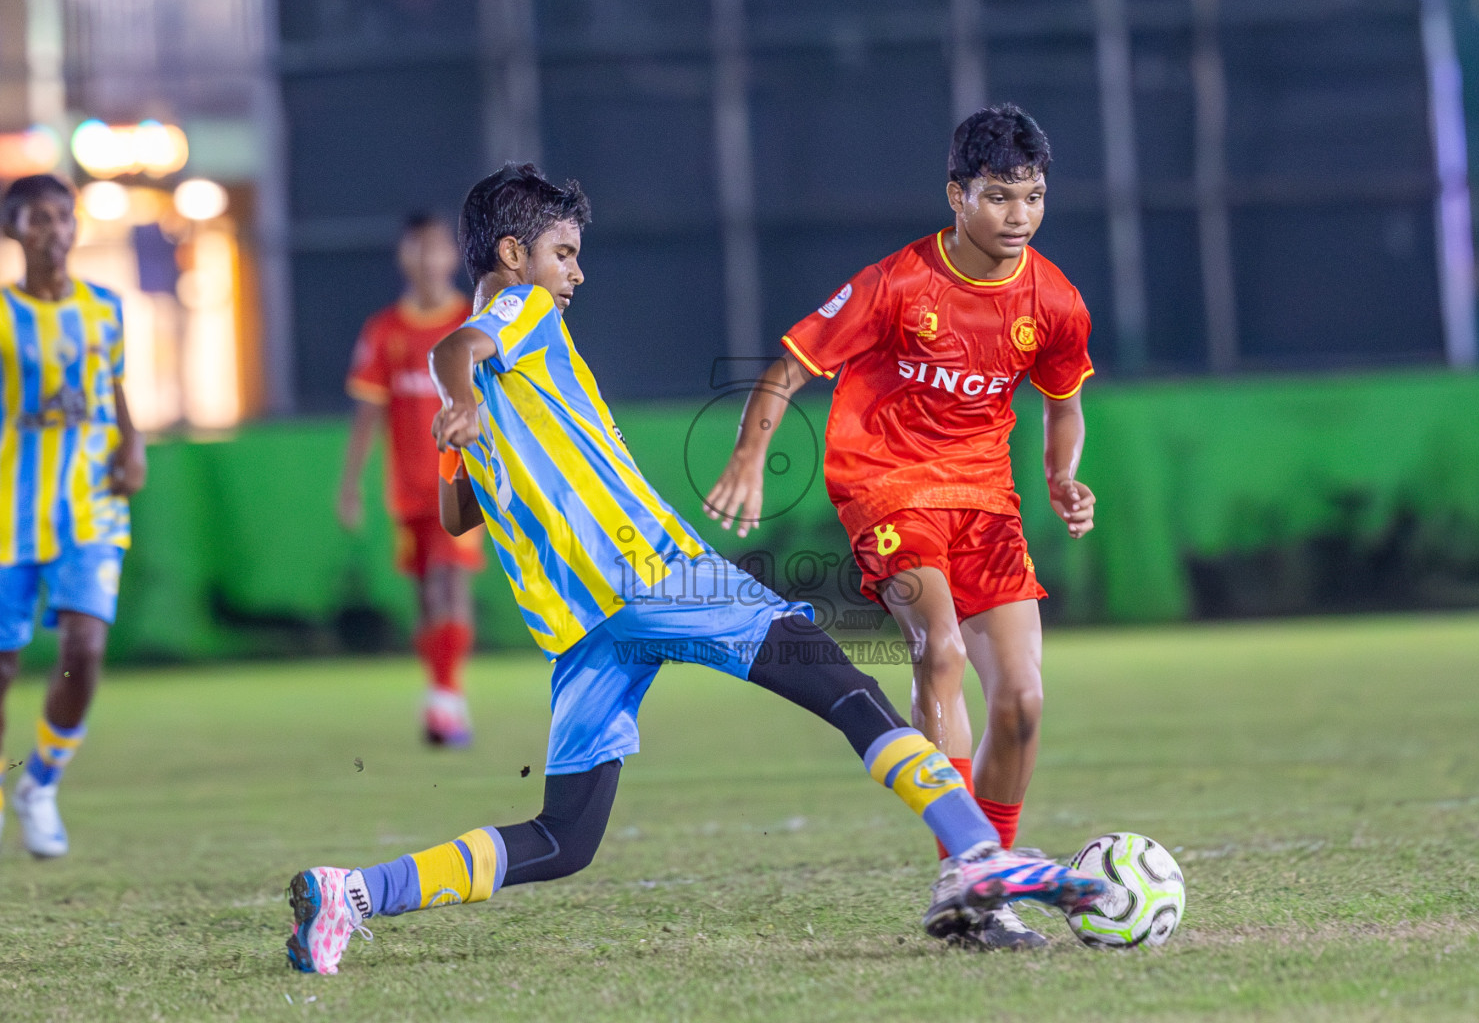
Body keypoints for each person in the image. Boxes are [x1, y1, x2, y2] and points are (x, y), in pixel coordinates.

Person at [283, 163, 1104, 974]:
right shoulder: (517, 312)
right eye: (563, 252)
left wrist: (464, 431)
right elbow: (456, 347)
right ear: (510, 253)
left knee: (564, 839)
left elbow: (462, 509)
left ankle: (351, 893)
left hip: (582, 626)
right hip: (648, 574)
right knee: (848, 690)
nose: (575, 272)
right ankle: (975, 853)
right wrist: (459, 398)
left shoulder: (493, 379)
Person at [705, 105, 1096, 950]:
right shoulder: (895, 285)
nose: (1019, 216)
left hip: (985, 501)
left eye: (1032, 197)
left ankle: (979, 881)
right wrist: (746, 455)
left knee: (1024, 704)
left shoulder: (1054, 300)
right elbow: (787, 369)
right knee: (940, 649)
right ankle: (966, 869)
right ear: (956, 196)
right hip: (886, 488)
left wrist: (1062, 477)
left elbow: (1063, 407)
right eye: (998, 197)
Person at [0, 174, 146, 858]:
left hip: (91, 508)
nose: (53, 231)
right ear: (14, 231)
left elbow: (114, 387)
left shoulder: (105, 309)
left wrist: (133, 444)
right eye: (37, 220)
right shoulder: (2, 315)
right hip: (9, 513)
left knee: (83, 649)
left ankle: (41, 784)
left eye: (62, 217)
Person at [338, 213, 481, 746]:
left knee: (450, 580)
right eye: (417, 249)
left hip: (462, 483)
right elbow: (367, 414)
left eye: (437, 248)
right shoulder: (385, 331)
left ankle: (447, 699)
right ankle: (443, 694)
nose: (427, 259)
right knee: (425, 593)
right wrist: (350, 485)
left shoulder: (472, 322)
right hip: (408, 488)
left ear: (452, 255)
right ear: (404, 257)